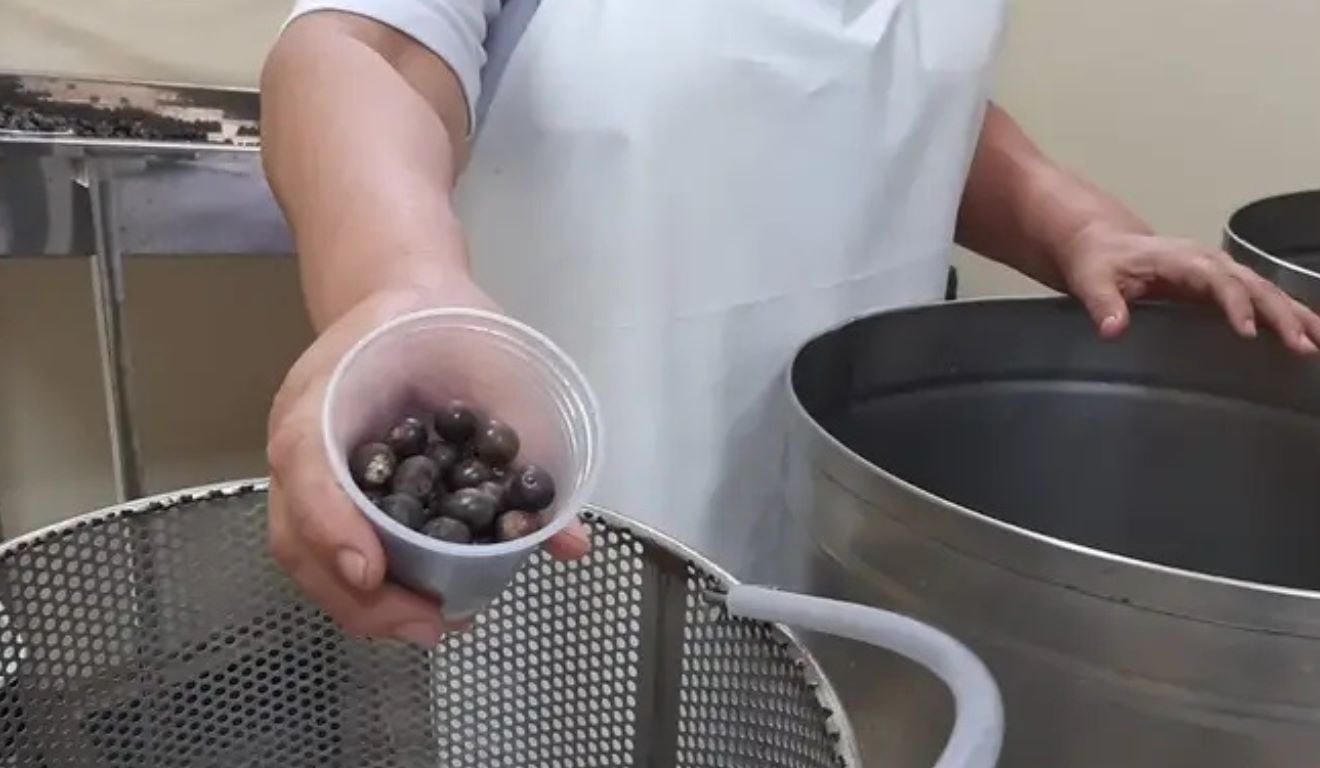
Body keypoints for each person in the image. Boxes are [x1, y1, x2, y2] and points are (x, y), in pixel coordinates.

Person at [260, 0, 1320, 647]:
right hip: (576, 537)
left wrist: (1064, 217)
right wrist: (393, 285)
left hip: (845, 533)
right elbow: (369, 53)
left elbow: (884, 89)